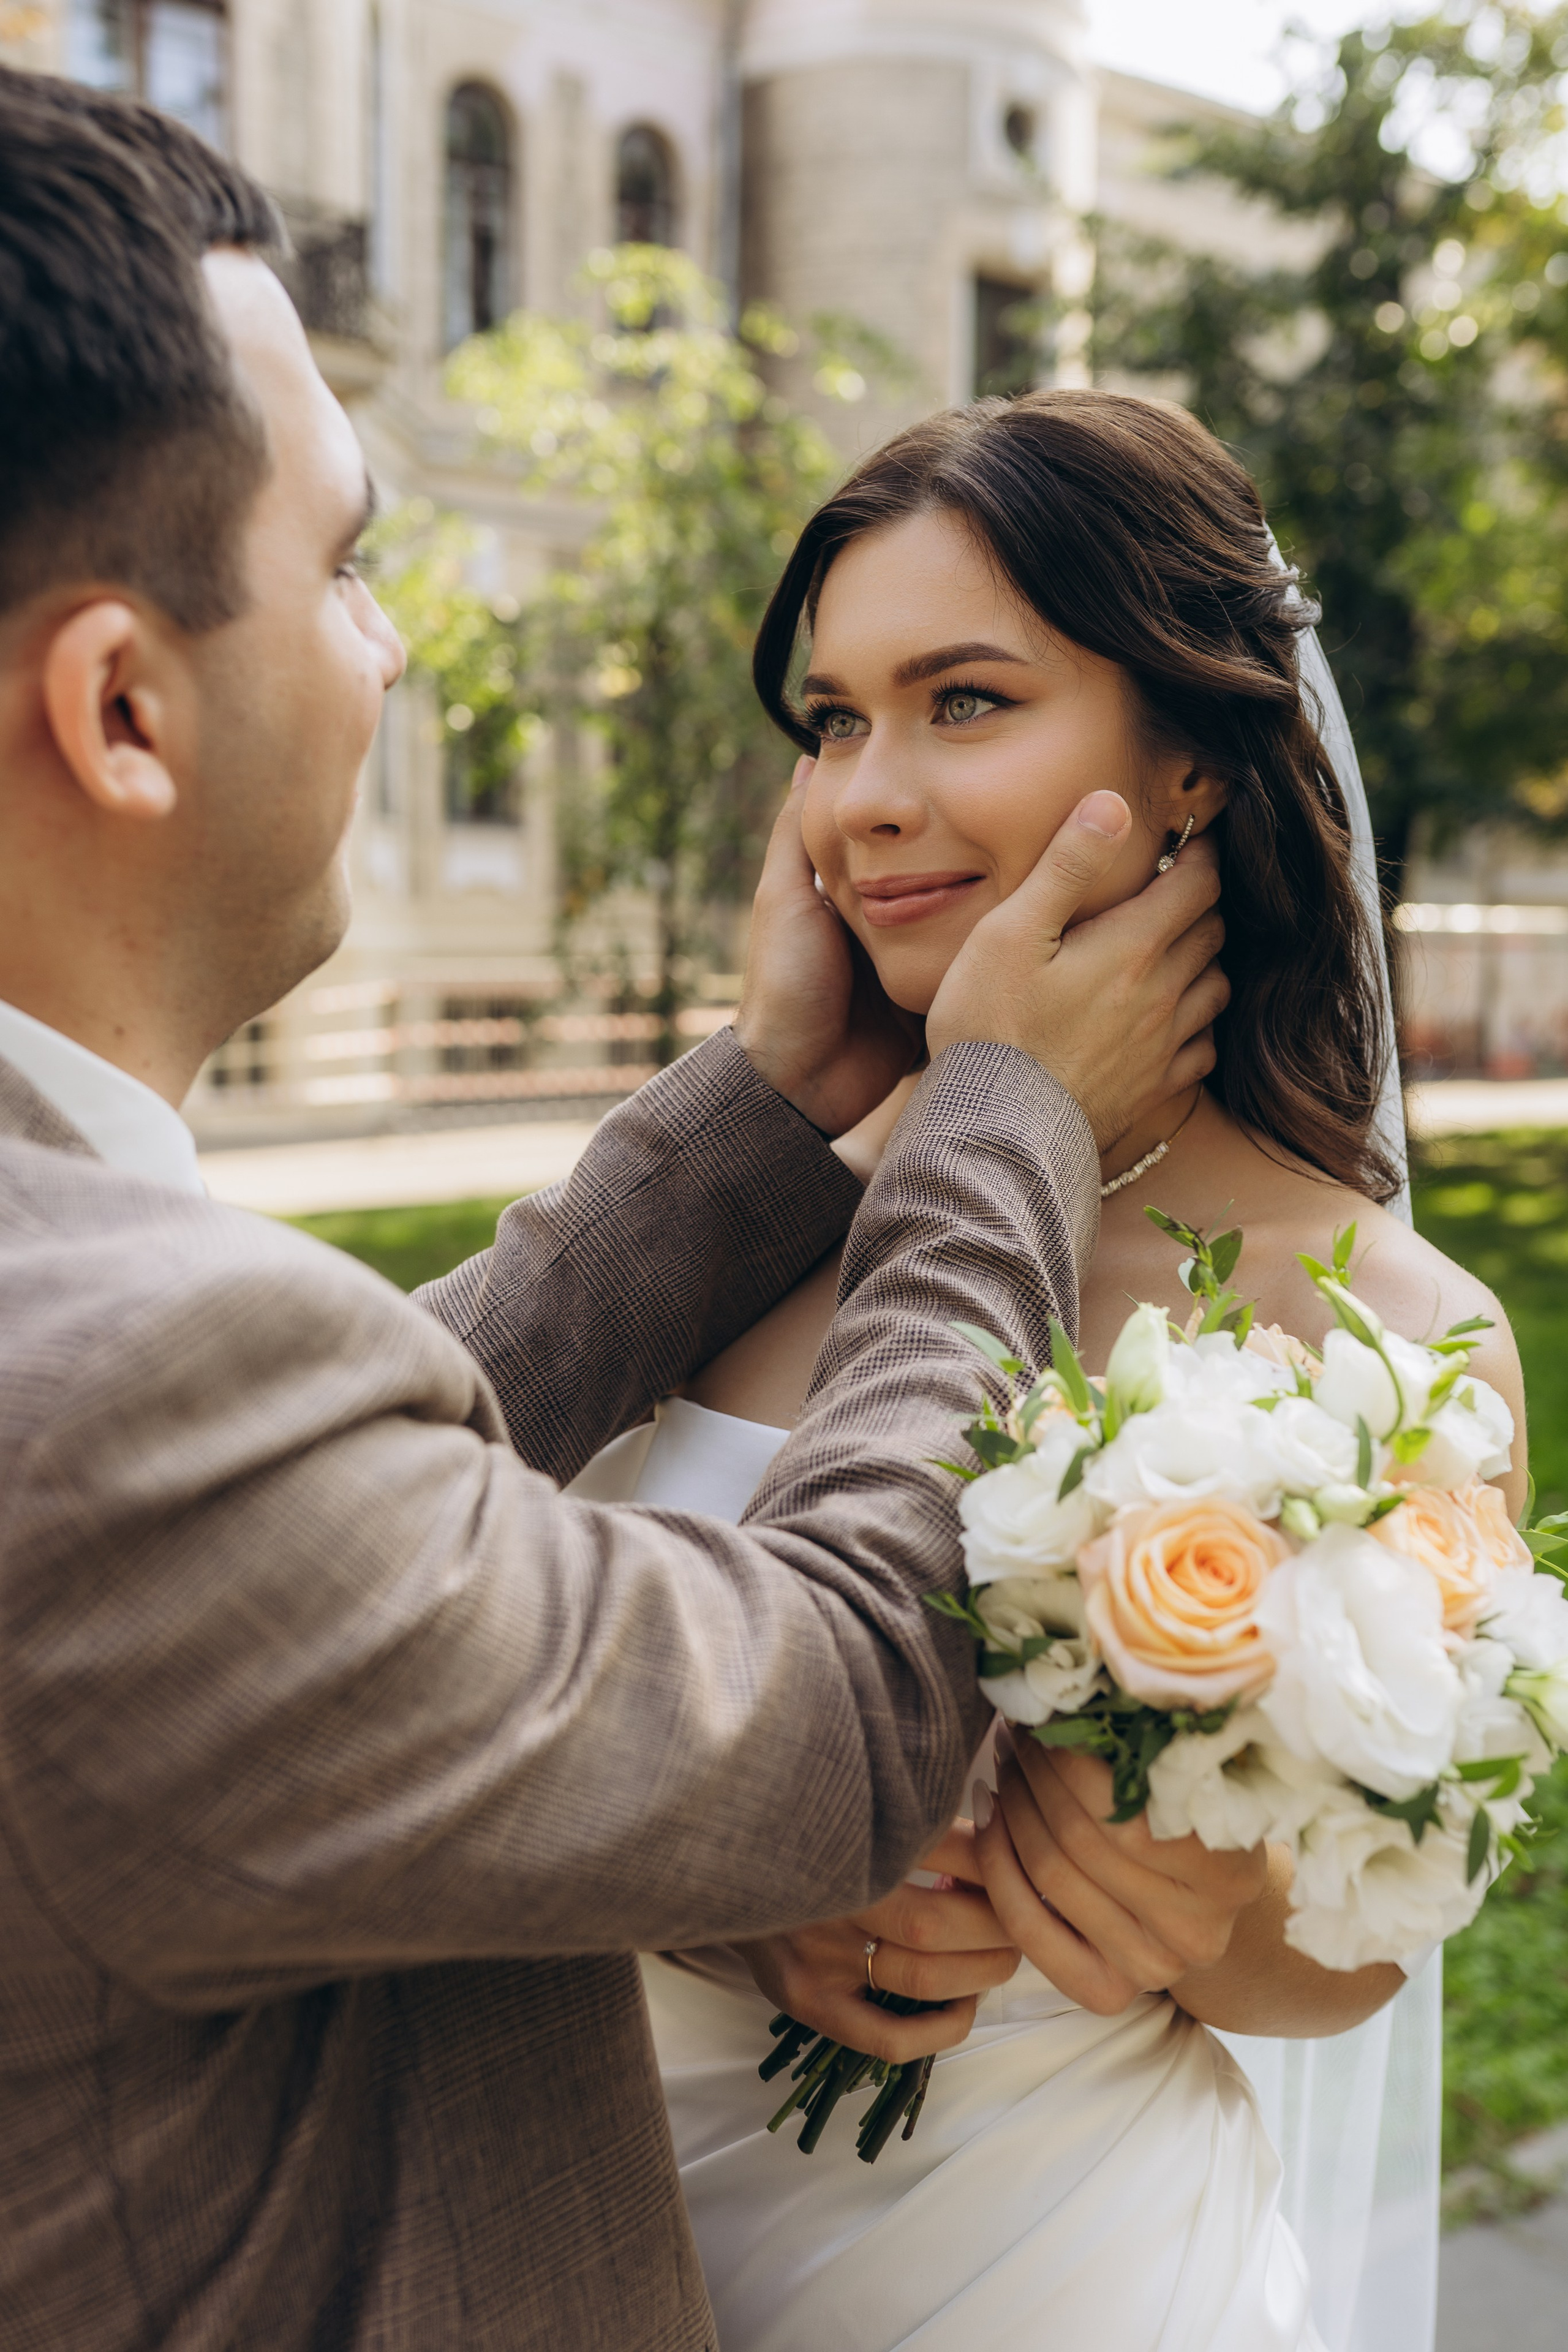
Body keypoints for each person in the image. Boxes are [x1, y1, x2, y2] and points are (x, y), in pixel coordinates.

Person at [0, 72, 1231, 2352]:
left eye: (962, 700)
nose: (395, 655)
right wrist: (995, 1119)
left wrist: (772, 1111)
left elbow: (325, 1529)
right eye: (351, 566)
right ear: (122, 708)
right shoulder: (102, 1387)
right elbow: (853, 1715)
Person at [570, 391, 1528, 2351]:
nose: (865, 797)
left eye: (967, 702)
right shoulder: (717, 1223)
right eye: (833, 720)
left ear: (1188, 760)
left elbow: (1352, 1948)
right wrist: (698, 1864)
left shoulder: (1393, 1332)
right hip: (583, 2246)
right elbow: (436, 1663)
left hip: (1058, 2278)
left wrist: (1206, 1922)